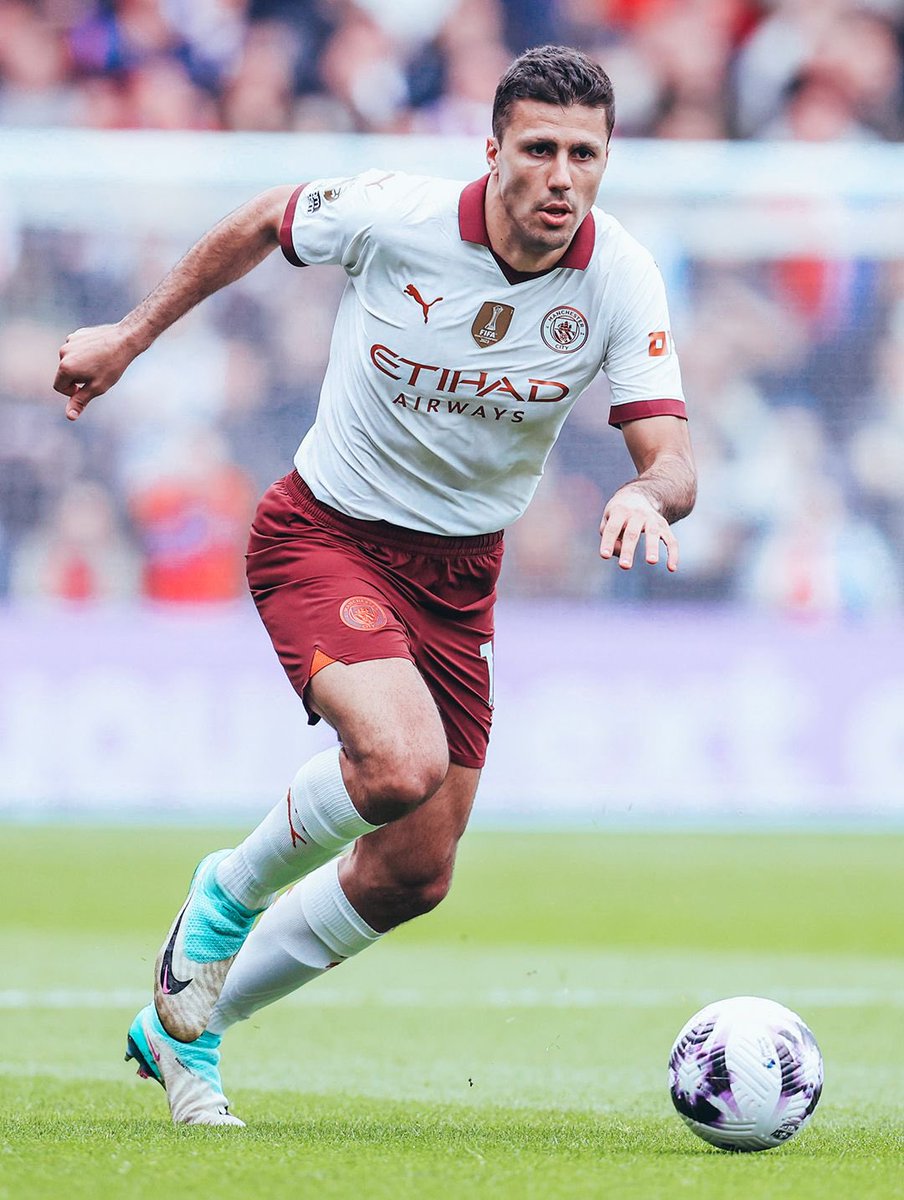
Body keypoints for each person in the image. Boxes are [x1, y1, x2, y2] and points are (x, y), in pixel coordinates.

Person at [54, 44, 696, 1126]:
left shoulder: (618, 274)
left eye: (583, 155)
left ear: (605, 161)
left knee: (414, 872)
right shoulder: (394, 214)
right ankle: (220, 903)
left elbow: (670, 453)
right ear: (489, 151)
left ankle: (184, 1027)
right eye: (536, 149)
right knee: (396, 764)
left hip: (458, 579)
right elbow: (266, 219)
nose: (559, 176)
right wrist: (129, 335)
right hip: (325, 535)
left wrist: (649, 494)